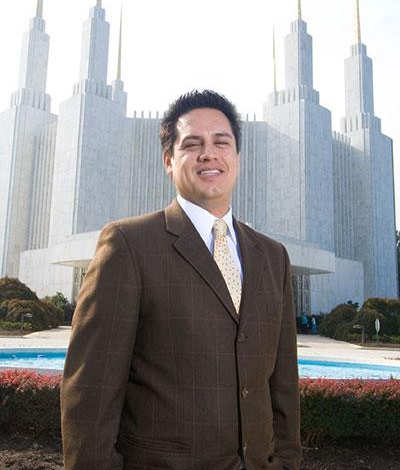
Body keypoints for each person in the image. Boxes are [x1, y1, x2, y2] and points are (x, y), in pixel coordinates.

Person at [61, 89, 301, 470]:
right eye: (192, 144)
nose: (209, 153)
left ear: (237, 157)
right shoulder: (128, 245)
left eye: (221, 142)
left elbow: (283, 384)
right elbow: (91, 392)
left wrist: (286, 462)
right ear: (169, 161)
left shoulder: (273, 257)